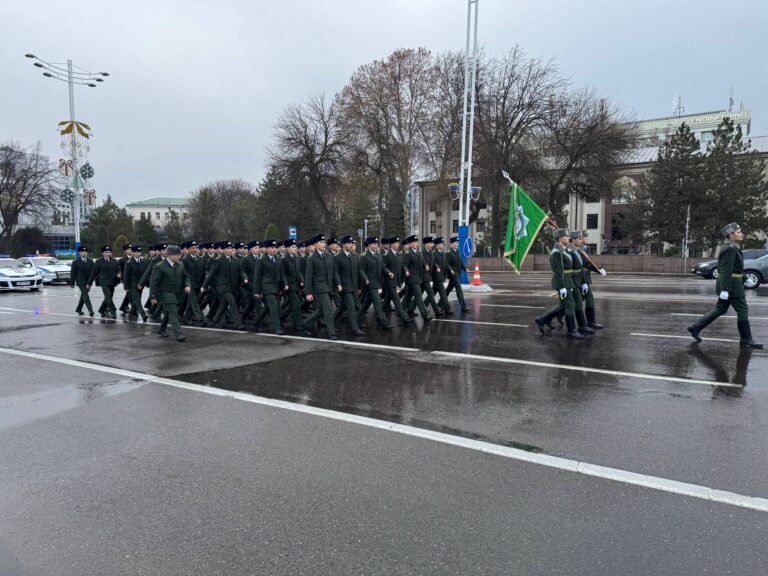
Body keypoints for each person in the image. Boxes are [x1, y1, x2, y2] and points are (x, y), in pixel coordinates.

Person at [688, 223, 763, 349]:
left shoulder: (732, 247)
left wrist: (745, 278)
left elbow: (735, 268)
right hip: (732, 286)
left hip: (732, 283)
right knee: (742, 310)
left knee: (720, 309)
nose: (741, 234)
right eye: (738, 232)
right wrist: (725, 290)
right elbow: (726, 270)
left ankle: (695, 327)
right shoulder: (729, 248)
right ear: (731, 235)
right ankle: (746, 339)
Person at [534, 229, 583, 339]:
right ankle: (572, 330)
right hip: (562, 282)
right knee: (570, 304)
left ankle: (542, 319)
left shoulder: (564, 250)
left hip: (568, 281)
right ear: (560, 238)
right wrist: (562, 287)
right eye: (565, 236)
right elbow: (558, 271)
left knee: (563, 305)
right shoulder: (556, 253)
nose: (568, 238)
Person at [201, 240, 248, 330]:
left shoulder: (235, 260)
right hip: (223, 287)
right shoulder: (218, 261)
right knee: (232, 303)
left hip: (233, 287)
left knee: (223, 305)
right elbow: (211, 274)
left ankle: (213, 321)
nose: (230, 250)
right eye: (228, 248)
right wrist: (204, 286)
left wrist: (244, 277)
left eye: (231, 248)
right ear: (223, 249)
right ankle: (238, 323)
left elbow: (241, 271)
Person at [303, 235, 342, 340]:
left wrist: (338, 283)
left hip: (329, 286)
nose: (323, 244)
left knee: (321, 310)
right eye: (320, 242)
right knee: (328, 308)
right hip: (319, 288)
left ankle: (305, 324)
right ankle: (331, 333)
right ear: (315, 245)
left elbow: (334, 271)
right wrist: (308, 292)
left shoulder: (329, 256)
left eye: (323, 242)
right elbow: (308, 277)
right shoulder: (312, 259)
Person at [149, 244, 191, 342]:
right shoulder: (159, 266)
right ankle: (179, 334)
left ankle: (161, 329)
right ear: (170, 255)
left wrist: (187, 285)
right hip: (165, 293)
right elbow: (154, 282)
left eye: (179, 255)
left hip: (177, 293)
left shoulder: (180, 265)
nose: (179, 257)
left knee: (169, 312)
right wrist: (153, 296)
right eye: (177, 255)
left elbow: (186, 277)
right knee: (173, 312)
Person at [359, 236, 393, 330]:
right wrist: (365, 279)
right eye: (374, 244)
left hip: (377, 283)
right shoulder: (364, 256)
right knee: (378, 304)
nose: (376, 245)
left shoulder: (378, 255)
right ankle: (385, 323)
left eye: (377, 244)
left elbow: (383, 267)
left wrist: (388, 272)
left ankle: (356, 319)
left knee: (366, 304)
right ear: (369, 245)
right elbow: (361, 270)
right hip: (369, 284)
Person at [253, 239, 287, 335]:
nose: (274, 249)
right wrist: (257, 291)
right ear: (267, 249)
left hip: (275, 286)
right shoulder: (261, 260)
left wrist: (284, 285)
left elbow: (281, 274)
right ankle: (277, 327)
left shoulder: (278, 259)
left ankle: (257, 322)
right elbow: (257, 277)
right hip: (266, 287)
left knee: (268, 307)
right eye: (272, 248)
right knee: (274, 306)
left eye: (275, 248)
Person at [335, 234, 366, 336]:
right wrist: (338, 285)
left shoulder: (354, 256)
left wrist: (364, 279)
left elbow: (359, 270)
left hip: (354, 286)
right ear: (343, 245)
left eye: (352, 243)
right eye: (349, 243)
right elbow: (335, 273)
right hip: (345, 287)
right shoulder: (338, 257)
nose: (351, 245)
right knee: (351, 307)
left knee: (344, 307)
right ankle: (355, 328)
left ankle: (329, 321)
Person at [577, 230, 606, 329]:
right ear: (581, 239)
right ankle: (590, 322)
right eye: (586, 237)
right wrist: (584, 282)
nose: (588, 239)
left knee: (573, 303)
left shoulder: (586, 249)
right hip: (581, 278)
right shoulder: (578, 250)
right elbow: (583, 265)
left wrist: (599, 269)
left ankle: (546, 318)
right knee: (586, 299)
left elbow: (590, 262)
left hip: (585, 277)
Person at [87, 245, 121, 318]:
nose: (108, 253)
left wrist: (119, 273)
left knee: (109, 297)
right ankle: (113, 312)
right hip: (104, 282)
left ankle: (101, 309)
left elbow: (119, 269)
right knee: (108, 297)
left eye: (109, 252)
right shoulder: (98, 261)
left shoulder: (114, 261)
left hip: (112, 282)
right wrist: (89, 283)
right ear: (102, 253)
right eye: (106, 252)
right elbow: (93, 273)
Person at [122, 245, 149, 322]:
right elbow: (126, 276)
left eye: (140, 252)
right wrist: (126, 287)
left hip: (140, 285)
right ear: (133, 253)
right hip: (132, 285)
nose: (139, 253)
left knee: (136, 301)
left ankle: (132, 312)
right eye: (137, 252)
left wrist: (146, 283)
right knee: (137, 301)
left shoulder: (143, 262)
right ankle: (143, 315)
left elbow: (145, 274)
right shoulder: (129, 263)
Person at [445, 236, 470, 312]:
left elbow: (461, 263)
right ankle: (463, 307)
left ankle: (440, 302)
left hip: (457, 274)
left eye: (458, 242)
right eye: (456, 243)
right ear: (452, 244)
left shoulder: (458, 252)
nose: (457, 244)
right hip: (453, 274)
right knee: (459, 290)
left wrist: (465, 268)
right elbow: (447, 264)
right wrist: (451, 270)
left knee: (448, 290)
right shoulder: (449, 253)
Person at [69, 245, 95, 316]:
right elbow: (73, 273)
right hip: (81, 282)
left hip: (89, 282)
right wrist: (72, 283)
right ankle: (91, 311)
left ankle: (78, 309)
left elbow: (94, 272)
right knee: (86, 296)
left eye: (85, 251)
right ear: (79, 253)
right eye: (83, 251)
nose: (84, 253)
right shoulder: (76, 262)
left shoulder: (91, 261)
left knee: (83, 296)